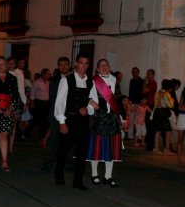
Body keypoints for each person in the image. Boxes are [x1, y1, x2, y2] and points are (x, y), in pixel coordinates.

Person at [54, 53, 98, 190]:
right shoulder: (66, 80)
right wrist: (62, 121)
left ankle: (78, 180)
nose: (83, 66)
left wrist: (88, 108)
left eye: (86, 64)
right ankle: (59, 174)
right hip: (69, 119)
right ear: (76, 64)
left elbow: (94, 101)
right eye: (81, 63)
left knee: (82, 151)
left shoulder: (91, 82)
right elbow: (59, 102)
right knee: (64, 150)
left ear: (88, 65)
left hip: (83, 122)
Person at [87, 59, 125, 188]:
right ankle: (94, 174)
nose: (104, 67)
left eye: (106, 65)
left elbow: (117, 100)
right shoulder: (93, 80)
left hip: (112, 118)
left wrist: (121, 118)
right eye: (101, 65)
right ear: (97, 69)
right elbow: (89, 97)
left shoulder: (114, 80)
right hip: (99, 117)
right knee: (97, 147)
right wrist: (94, 108)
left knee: (111, 147)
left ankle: (108, 176)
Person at [41, 57, 71, 171]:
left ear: (69, 65)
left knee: (69, 139)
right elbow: (53, 98)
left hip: (69, 113)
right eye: (61, 65)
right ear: (58, 67)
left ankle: (67, 162)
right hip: (56, 112)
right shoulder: (54, 80)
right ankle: (48, 163)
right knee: (54, 138)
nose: (63, 67)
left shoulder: (73, 78)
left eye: (65, 64)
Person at [152, 79, 175, 154]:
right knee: (168, 131)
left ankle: (156, 148)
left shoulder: (159, 92)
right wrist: (172, 100)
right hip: (163, 113)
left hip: (157, 112)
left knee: (158, 131)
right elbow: (170, 104)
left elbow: (155, 101)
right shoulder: (166, 93)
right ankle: (166, 149)